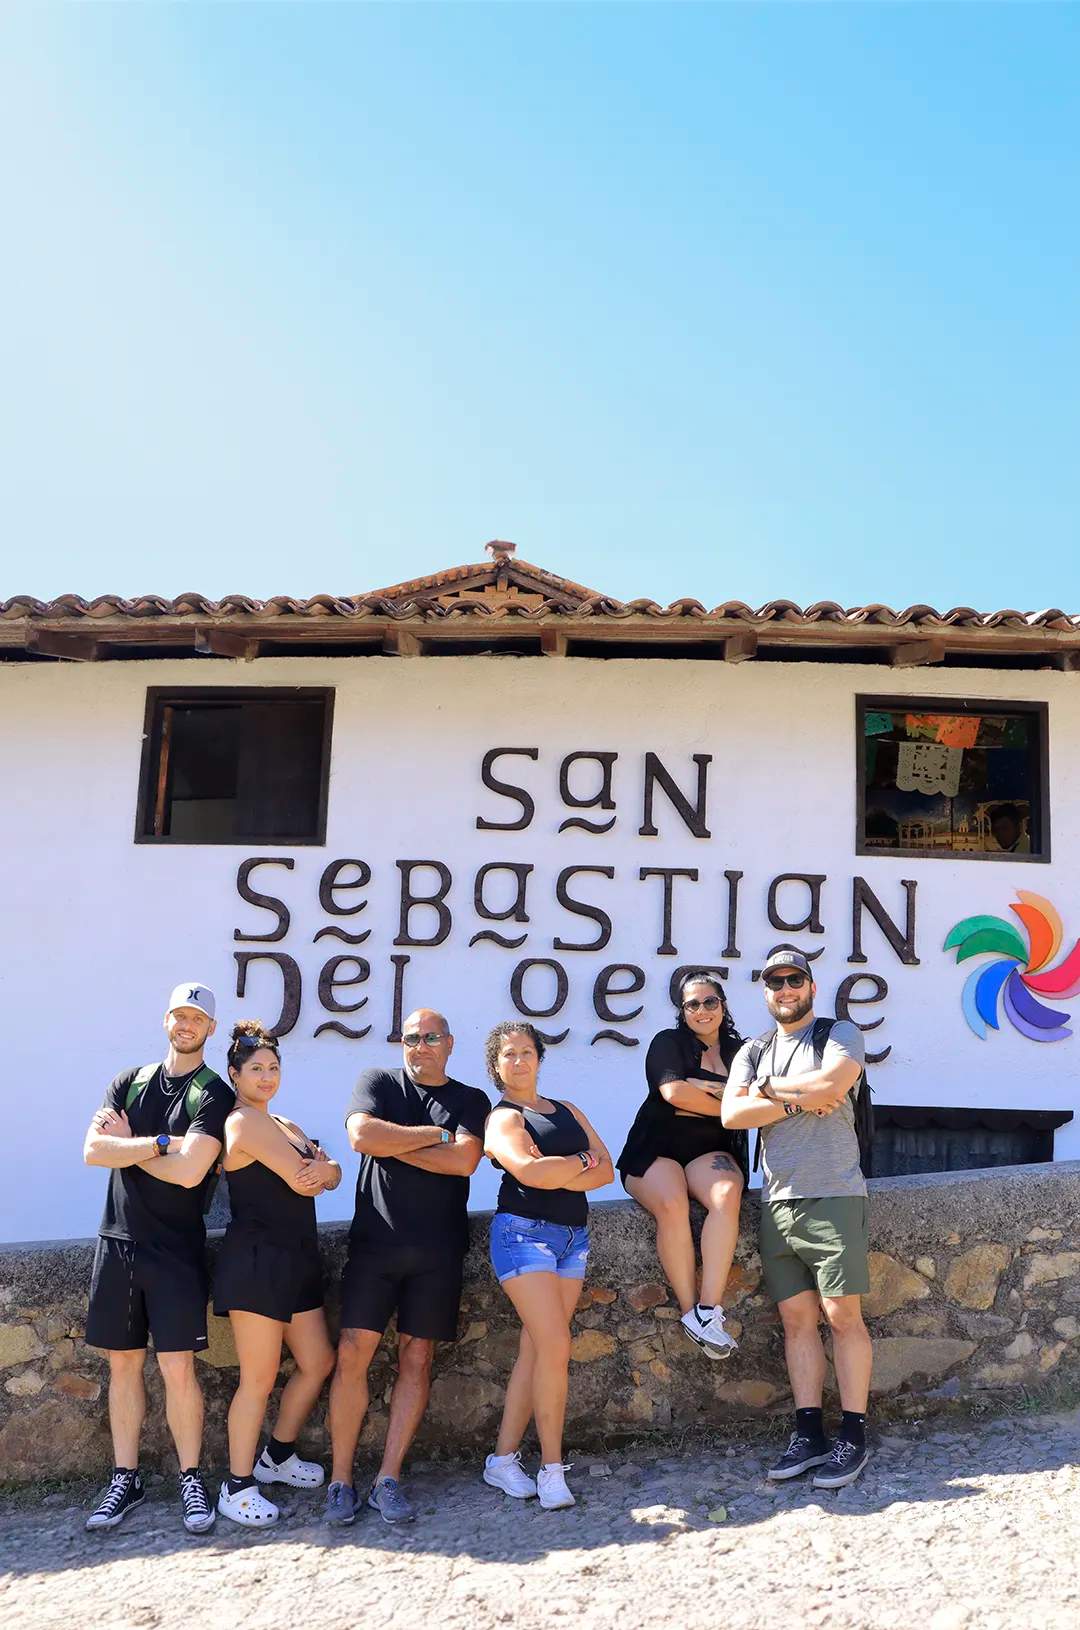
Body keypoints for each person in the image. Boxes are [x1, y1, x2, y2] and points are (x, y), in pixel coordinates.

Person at [326, 1009, 491, 1526]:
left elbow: (465, 1162)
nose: (418, 1046)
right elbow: (362, 1138)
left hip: (439, 1252)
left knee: (416, 1359)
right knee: (353, 1353)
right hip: (375, 1245)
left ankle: (388, 1478)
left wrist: (398, 1144)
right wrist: (436, 1136)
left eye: (430, 1038)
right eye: (411, 1038)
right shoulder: (376, 1080)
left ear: (450, 1043)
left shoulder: (471, 1100)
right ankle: (340, 1480)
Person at [82, 982, 233, 1534]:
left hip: (176, 1251)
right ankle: (127, 1478)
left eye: (197, 1017)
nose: (186, 1024)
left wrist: (139, 1144)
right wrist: (165, 1144)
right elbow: (94, 1150)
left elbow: (193, 1172)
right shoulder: (130, 1080)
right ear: (166, 1020)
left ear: (210, 1029)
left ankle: (190, 1478)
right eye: (178, 1014)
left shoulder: (214, 1093)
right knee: (122, 1364)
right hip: (117, 1242)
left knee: (177, 1368)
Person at [722, 951, 873, 1489]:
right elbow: (731, 1114)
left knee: (842, 1317)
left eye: (794, 980)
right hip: (778, 1200)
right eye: (774, 982)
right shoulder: (754, 1049)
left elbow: (833, 1087)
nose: (784, 989)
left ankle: (852, 1437)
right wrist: (792, 1100)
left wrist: (766, 1093)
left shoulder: (840, 1034)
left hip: (832, 1193)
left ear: (810, 985)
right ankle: (808, 1434)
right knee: (796, 1322)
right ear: (764, 991)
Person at [213, 1020, 341, 1528]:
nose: (266, 1077)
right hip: (257, 1262)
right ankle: (236, 1486)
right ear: (234, 1075)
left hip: (297, 1259)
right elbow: (309, 1179)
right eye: (255, 1070)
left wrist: (326, 1170)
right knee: (258, 1378)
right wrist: (322, 1169)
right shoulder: (242, 1122)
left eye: (273, 1068)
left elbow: (328, 1172)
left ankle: (278, 1456)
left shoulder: (284, 1122)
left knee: (318, 1361)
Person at [482, 1021, 614, 1512]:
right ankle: (552, 1470)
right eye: (509, 1055)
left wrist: (565, 1165)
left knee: (536, 1350)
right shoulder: (502, 1119)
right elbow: (528, 1171)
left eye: (526, 1052)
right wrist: (577, 1163)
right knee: (556, 1343)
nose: (519, 1061)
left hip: (572, 1238)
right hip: (523, 1235)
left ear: (539, 1057)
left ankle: (501, 1460)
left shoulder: (567, 1110)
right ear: (496, 1066)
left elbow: (607, 1169)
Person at [617, 970, 748, 1358]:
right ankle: (693, 1312)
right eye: (693, 1004)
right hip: (655, 1147)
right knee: (672, 1203)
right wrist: (728, 1104)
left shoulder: (740, 1051)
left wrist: (705, 1088)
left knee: (727, 1194)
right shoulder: (667, 1042)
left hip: (708, 1148)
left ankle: (709, 1309)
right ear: (682, 1010)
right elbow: (675, 1093)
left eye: (710, 1002)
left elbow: (762, 1094)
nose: (702, 1010)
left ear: (722, 1005)